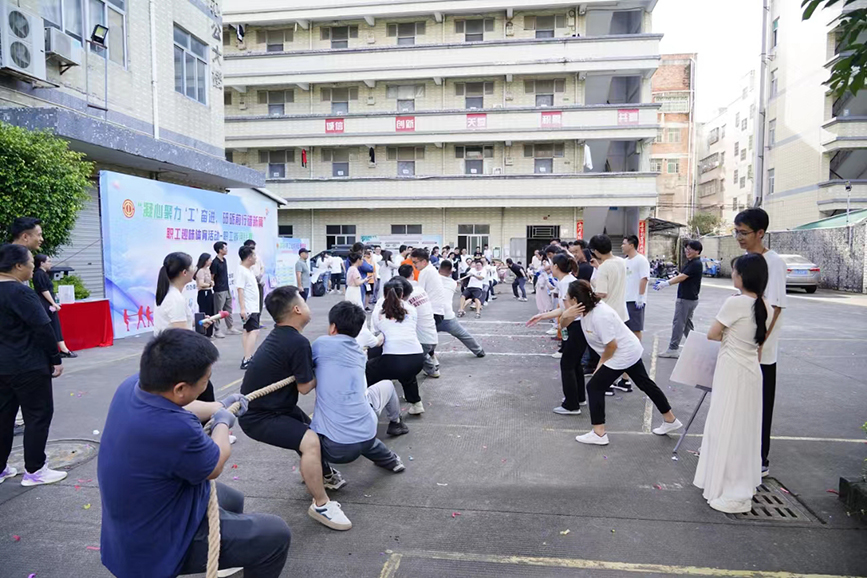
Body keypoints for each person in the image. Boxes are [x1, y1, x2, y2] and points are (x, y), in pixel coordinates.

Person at [97, 329, 291, 578]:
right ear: (180, 388)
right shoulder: (175, 428)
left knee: (232, 499)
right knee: (274, 534)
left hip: (134, 520)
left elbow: (184, 404)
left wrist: (219, 406)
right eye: (205, 380)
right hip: (155, 544)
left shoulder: (132, 387)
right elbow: (216, 463)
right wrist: (223, 423)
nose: (206, 385)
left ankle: (228, 554)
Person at [238, 286, 352, 530]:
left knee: (311, 431)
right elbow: (304, 387)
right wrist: (328, 369)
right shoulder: (296, 342)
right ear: (298, 309)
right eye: (305, 302)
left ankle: (324, 475)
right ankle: (321, 504)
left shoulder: (283, 336)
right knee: (310, 441)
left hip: (277, 407)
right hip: (259, 416)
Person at [694, 253, 770, 513]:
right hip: (751, 371)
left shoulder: (735, 303)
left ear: (743, 276)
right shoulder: (765, 305)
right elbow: (759, 345)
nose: (733, 274)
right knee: (744, 429)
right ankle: (738, 483)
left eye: (735, 270)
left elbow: (713, 334)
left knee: (725, 424)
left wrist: (729, 334)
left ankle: (727, 486)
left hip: (732, 370)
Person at [567, 280, 682, 445]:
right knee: (645, 383)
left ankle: (599, 433)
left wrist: (600, 365)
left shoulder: (600, 315)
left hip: (622, 352)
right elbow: (563, 321)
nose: (565, 299)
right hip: (626, 349)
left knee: (594, 387)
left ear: (575, 300)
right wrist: (564, 315)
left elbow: (612, 346)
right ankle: (670, 420)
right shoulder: (583, 309)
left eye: (567, 297)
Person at [311, 302, 408, 474]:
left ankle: (326, 474)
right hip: (368, 433)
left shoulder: (320, 344)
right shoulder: (358, 352)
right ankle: (391, 455)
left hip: (336, 448)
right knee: (384, 389)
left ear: (333, 327)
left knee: (300, 435)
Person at [0, 244, 66, 486]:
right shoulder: (21, 292)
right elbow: (43, 328)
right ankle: (35, 470)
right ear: (18, 266)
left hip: (2, 367)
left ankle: (1, 468)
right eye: (30, 262)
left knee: (3, 417)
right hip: (28, 365)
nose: (33, 266)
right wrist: (55, 358)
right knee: (38, 416)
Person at [733, 208, 787, 477]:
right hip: (743, 347)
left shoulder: (773, 262)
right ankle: (743, 453)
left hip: (760, 351)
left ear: (760, 233)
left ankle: (760, 459)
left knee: (761, 406)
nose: (739, 237)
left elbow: (775, 307)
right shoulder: (746, 259)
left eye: (743, 233)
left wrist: (761, 343)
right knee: (743, 405)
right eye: (736, 232)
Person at [526, 254, 586, 415]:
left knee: (567, 364)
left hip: (575, 326)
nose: (549, 267)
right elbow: (563, 309)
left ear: (556, 267)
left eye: (551, 264)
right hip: (575, 326)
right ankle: (579, 397)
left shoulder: (567, 283)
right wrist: (542, 316)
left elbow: (570, 312)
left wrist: (562, 326)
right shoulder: (565, 281)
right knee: (575, 364)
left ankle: (571, 405)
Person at [154, 252, 217, 402]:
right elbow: (182, 336)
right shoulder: (175, 299)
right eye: (192, 266)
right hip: (177, 359)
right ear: (184, 272)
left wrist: (198, 322)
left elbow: (178, 324)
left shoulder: (169, 293)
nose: (195, 269)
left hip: (168, 356)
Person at [367, 277, 426, 415]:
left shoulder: (379, 313)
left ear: (384, 294)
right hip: (417, 359)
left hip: (393, 361)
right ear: (402, 294)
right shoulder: (412, 309)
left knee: (368, 370)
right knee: (406, 371)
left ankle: (366, 404)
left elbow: (378, 335)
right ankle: (416, 403)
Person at [655, 240, 704, 358]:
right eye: (686, 248)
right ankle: (696, 346)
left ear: (697, 251)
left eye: (690, 249)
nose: (687, 251)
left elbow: (682, 277)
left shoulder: (696, 264)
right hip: (690, 298)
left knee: (679, 323)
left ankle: (673, 348)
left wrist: (666, 283)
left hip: (686, 299)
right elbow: (681, 275)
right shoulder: (691, 262)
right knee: (687, 325)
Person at [614, 236, 650, 393]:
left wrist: (640, 296)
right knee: (624, 333)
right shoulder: (625, 261)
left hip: (635, 301)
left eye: (624, 243)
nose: (622, 246)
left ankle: (634, 358)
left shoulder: (641, 260)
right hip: (624, 301)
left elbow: (644, 278)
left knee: (635, 331)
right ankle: (625, 375)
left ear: (632, 244)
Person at [397, 264, 440, 379]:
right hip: (433, 336)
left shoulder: (404, 295)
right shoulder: (421, 289)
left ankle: (429, 368)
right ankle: (432, 366)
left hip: (422, 341)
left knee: (404, 349)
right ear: (412, 274)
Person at [436, 260, 485, 357]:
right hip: (448, 316)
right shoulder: (452, 283)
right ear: (451, 272)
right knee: (463, 334)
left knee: (424, 336)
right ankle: (478, 350)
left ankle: (428, 356)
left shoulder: (434, 279)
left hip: (434, 316)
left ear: (439, 269)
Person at [32, 254, 76, 358]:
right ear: (42, 263)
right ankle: (62, 349)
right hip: (45, 303)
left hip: (48, 302)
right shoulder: (39, 274)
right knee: (53, 325)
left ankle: (62, 349)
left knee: (55, 325)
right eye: (48, 261)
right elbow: (44, 290)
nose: (50, 264)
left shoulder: (43, 274)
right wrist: (53, 303)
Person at [589, 234, 628, 322]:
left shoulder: (604, 267)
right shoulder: (621, 261)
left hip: (608, 313)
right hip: (621, 313)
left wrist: (593, 285)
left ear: (596, 251)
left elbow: (601, 293)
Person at [237, 246, 262, 370]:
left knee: (248, 331)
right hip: (249, 307)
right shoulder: (242, 271)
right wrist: (243, 308)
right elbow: (240, 290)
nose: (256, 258)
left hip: (252, 306)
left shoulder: (248, 270)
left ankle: (247, 356)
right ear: (248, 258)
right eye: (254, 256)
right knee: (254, 331)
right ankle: (247, 358)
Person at [210, 242, 239, 338]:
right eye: (225, 248)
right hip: (219, 290)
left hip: (226, 288)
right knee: (218, 311)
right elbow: (212, 276)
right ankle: (217, 330)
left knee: (228, 309)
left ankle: (230, 327)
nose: (226, 250)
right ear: (220, 250)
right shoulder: (215, 262)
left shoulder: (224, 260)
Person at [194, 253, 215, 338]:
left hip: (209, 292)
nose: (211, 261)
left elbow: (210, 280)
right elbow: (201, 284)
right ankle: (203, 332)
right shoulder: (200, 271)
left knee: (211, 312)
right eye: (209, 259)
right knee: (205, 312)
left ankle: (210, 333)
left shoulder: (208, 270)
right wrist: (209, 284)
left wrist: (212, 283)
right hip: (203, 293)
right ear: (205, 261)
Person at [245, 239, 267, 315]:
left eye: (253, 248)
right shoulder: (243, 259)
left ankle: (258, 318)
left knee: (259, 302)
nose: (252, 250)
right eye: (250, 248)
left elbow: (262, 267)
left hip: (259, 282)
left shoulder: (257, 257)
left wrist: (260, 276)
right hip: (250, 284)